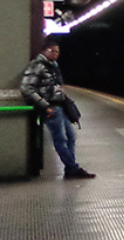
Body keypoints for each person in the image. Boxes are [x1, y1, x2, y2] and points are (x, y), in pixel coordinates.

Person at [20, 38, 95, 180]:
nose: (55, 54)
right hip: (51, 108)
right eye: (52, 51)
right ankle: (73, 168)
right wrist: (44, 105)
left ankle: (70, 167)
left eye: (57, 51)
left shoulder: (53, 66)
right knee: (60, 139)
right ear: (44, 51)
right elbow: (26, 88)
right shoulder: (37, 66)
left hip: (59, 106)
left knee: (71, 137)